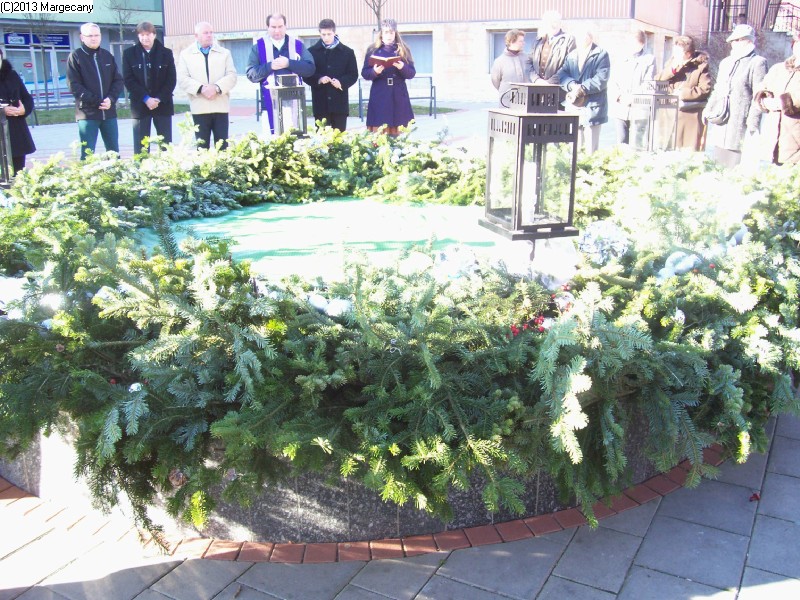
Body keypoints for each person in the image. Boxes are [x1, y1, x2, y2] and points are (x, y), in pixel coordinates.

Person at [702, 24, 767, 167]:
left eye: (737, 40)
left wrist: (753, 123)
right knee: (717, 162)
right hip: (721, 118)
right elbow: (718, 89)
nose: (733, 43)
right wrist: (708, 109)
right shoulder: (726, 62)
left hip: (740, 121)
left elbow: (759, 96)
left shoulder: (758, 62)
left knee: (734, 163)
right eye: (733, 40)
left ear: (748, 40)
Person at [246, 13, 315, 135]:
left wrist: (289, 63)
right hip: (269, 106)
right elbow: (251, 74)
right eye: (273, 27)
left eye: (280, 26)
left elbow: (310, 69)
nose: (277, 30)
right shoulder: (258, 47)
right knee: (271, 144)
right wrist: (270, 66)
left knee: (295, 142)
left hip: (294, 106)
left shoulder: (297, 45)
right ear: (267, 27)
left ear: (285, 26)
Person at [66, 23, 124, 160]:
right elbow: (74, 85)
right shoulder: (75, 57)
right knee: (87, 154)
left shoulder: (107, 56)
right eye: (90, 35)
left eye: (96, 35)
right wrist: (97, 101)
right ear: (82, 37)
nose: (94, 38)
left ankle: (115, 173)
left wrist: (111, 99)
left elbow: (118, 80)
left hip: (109, 113)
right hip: (88, 114)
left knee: (114, 152)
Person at [177, 21, 238, 150]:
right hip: (199, 108)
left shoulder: (224, 53)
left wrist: (216, 87)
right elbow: (182, 79)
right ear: (196, 36)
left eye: (211, 32)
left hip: (220, 107)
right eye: (205, 33)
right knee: (202, 148)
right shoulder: (186, 55)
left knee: (223, 148)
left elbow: (232, 76)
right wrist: (201, 89)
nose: (209, 35)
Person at [122, 21, 176, 154]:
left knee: (165, 146)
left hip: (162, 105)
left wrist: (158, 99)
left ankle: (166, 166)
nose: (145, 38)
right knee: (141, 148)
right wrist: (146, 98)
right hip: (140, 105)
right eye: (142, 35)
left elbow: (171, 80)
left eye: (148, 34)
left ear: (154, 35)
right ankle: (142, 167)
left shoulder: (166, 53)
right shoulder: (129, 54)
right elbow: (129, 80)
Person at [557, 25, 610, 154]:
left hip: (592, 106)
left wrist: (582, 88)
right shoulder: (572, 55)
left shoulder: (601, 54)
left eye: (584, 37)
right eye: (578, 37)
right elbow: (562, 74)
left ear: (590, 38)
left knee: (591, 151)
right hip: (573, 106)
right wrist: (572, 85)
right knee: (574, 148)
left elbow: (601, 79)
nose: (580, 40)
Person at [655, 36, 712, 150]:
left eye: (678, 52)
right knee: (666, 150)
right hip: (668, 114)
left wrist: (682, 94)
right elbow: (658, 81)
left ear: (688, 53)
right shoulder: (672, 63)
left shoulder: (701, 66)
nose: (675, 55)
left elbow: (705, 89)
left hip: (688, 116)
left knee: (686, 152)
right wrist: (672, 70)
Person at [752, 28, 800, 164]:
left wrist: (781, 103)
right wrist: (762, 99)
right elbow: (762, 88)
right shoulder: (778, 69)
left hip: (796, 138)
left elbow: (796, 99)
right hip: (773, 138)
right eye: (798, 42)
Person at [361, 19, 416, 135]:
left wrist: (402, 67)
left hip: (398, 93)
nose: (389, 35)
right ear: (381, 33)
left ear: (395, 33)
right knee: (380, 131)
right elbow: (365, 73)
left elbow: (411, 73)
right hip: (380, 93)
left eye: (391, 32)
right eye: (386, 32)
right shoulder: (373, 50)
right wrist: (374, 71)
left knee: (399, 131)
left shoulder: (403, 49)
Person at [304, 18, 358, 131]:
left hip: (340, 104)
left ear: (334, 32)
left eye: (329, 34)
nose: (326, 37)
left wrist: (341, 82)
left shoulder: (347, 52)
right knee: (322, 139)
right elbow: (306, 74)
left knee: (339, 138)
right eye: (323, 34)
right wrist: (319, 79)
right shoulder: (311, 52)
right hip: (320, 104)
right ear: (319, 33)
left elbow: (353, 74)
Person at [608, 30, 656, 145]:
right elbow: (613, 80)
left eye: (635, 44)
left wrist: (632, 98)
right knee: (622, 141)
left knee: (638, 143)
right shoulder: (620, 57)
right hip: (621, 106)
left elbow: (648, 83)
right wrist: (619, 96)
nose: (632, 47)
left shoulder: (649, 59)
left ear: (642, 44)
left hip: (639, 107)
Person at [0, 48, 35, 174]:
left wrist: (24, 109)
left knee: (18, 173)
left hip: (16, 130)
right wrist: (2, 111)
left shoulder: (12, 74)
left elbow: (27, 98)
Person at [529, 10, 576, 101]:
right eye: (548, 22)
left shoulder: (569, 40)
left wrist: (550, 82)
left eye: (554, 22)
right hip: (537, 90)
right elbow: (529, 63)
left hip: (558, 91)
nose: (551, 25)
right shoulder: (538, 40)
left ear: (560, 23)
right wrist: (536, 79)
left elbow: (569, 65)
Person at [490, 29, 532, 106]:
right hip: (507, 102)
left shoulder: (528, 58)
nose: (523, 43)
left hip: (526, 102)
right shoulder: (499, 61)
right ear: (512, 41)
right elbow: (495, 80)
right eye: (521, 41)